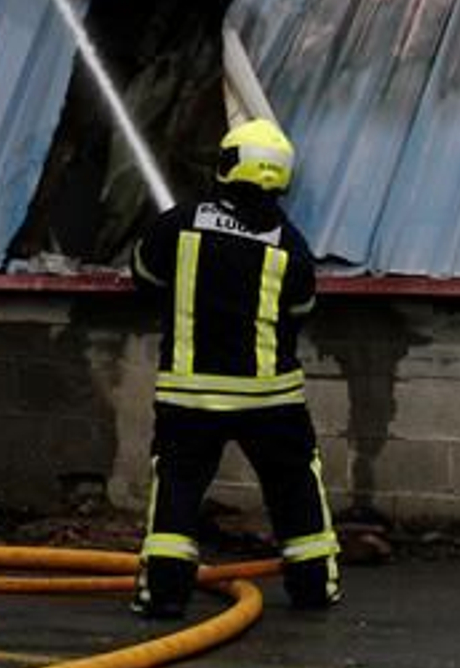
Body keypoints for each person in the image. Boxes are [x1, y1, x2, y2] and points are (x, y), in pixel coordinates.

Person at [130, 116, 339, 618]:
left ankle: (163, 595)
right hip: (271, 399)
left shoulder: (179, 224)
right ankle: (314, 588)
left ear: (227, 166)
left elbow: (143, 275)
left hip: (190, 397)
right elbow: (302, 311)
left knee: (178, 492)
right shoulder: (291, 247)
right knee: (295, 489)